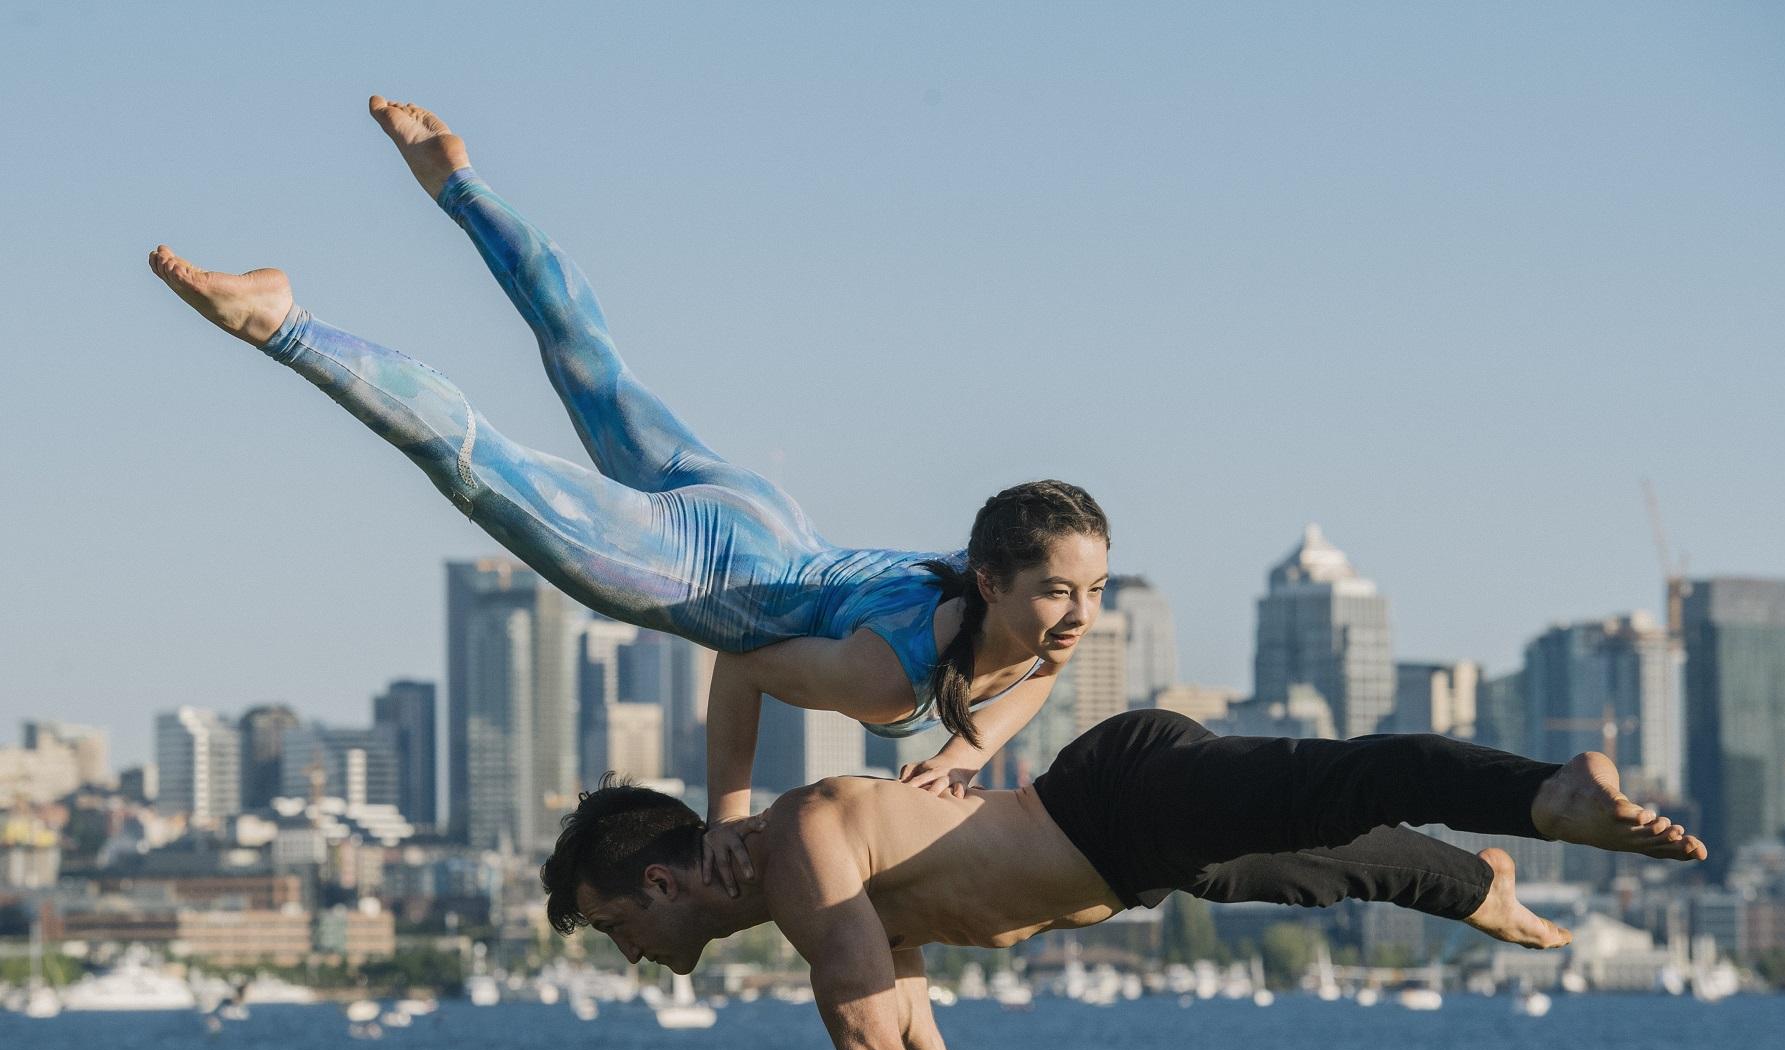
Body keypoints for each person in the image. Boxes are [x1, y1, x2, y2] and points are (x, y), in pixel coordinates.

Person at [146, 96, 1103, 888]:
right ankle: (286, 324)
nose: (1078, 616)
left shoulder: (1016, 629)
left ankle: (454, 175)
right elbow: (750, 667)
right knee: (479, 467)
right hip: (703, 573)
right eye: (1060, 592)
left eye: (1094, 591)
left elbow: (1040, 678)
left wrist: (958, 758)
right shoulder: (889, 675)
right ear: (990, 582)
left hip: (764, 516)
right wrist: (726, 814)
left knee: (590, 363)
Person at [541, 710, 1704, 1050]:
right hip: (1135, 855)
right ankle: (1477, 880)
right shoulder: (819, 882)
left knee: (1332, 783)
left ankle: (1548, 792)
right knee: (1310, 870)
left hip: (1117, 797)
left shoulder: (805, 849)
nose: (626, 955)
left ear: (653, 885)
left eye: (608, 927)